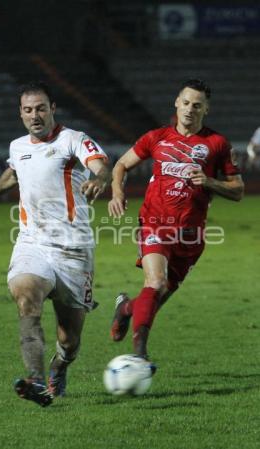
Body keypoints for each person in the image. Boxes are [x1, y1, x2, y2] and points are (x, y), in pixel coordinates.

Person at [0, 81, 110, 407]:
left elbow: (102, 165)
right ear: (20, 113)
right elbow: (13, 174)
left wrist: (99, 179)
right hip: (33, 242)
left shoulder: (73, 139)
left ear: (52, 109)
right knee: (25, 295)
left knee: (69, 338)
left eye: (41, 108)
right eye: (29, 110)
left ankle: (59, 367)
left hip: (73, 250)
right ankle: (35, 381)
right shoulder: (18, 146)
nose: (35, 115)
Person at [108, 78, 244, 363]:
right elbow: (121, 164)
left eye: (197, 105)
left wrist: (209, 181)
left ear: (206, 109)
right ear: (176, 104)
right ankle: (139, 357)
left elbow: (238, 191)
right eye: (185, 103)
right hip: (154, 224)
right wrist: (117, 193)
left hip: (191, 236)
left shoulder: (217, 144)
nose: (190, 110)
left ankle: (126, 309)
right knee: (155, 282)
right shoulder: (156, 138)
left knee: (156, 297)